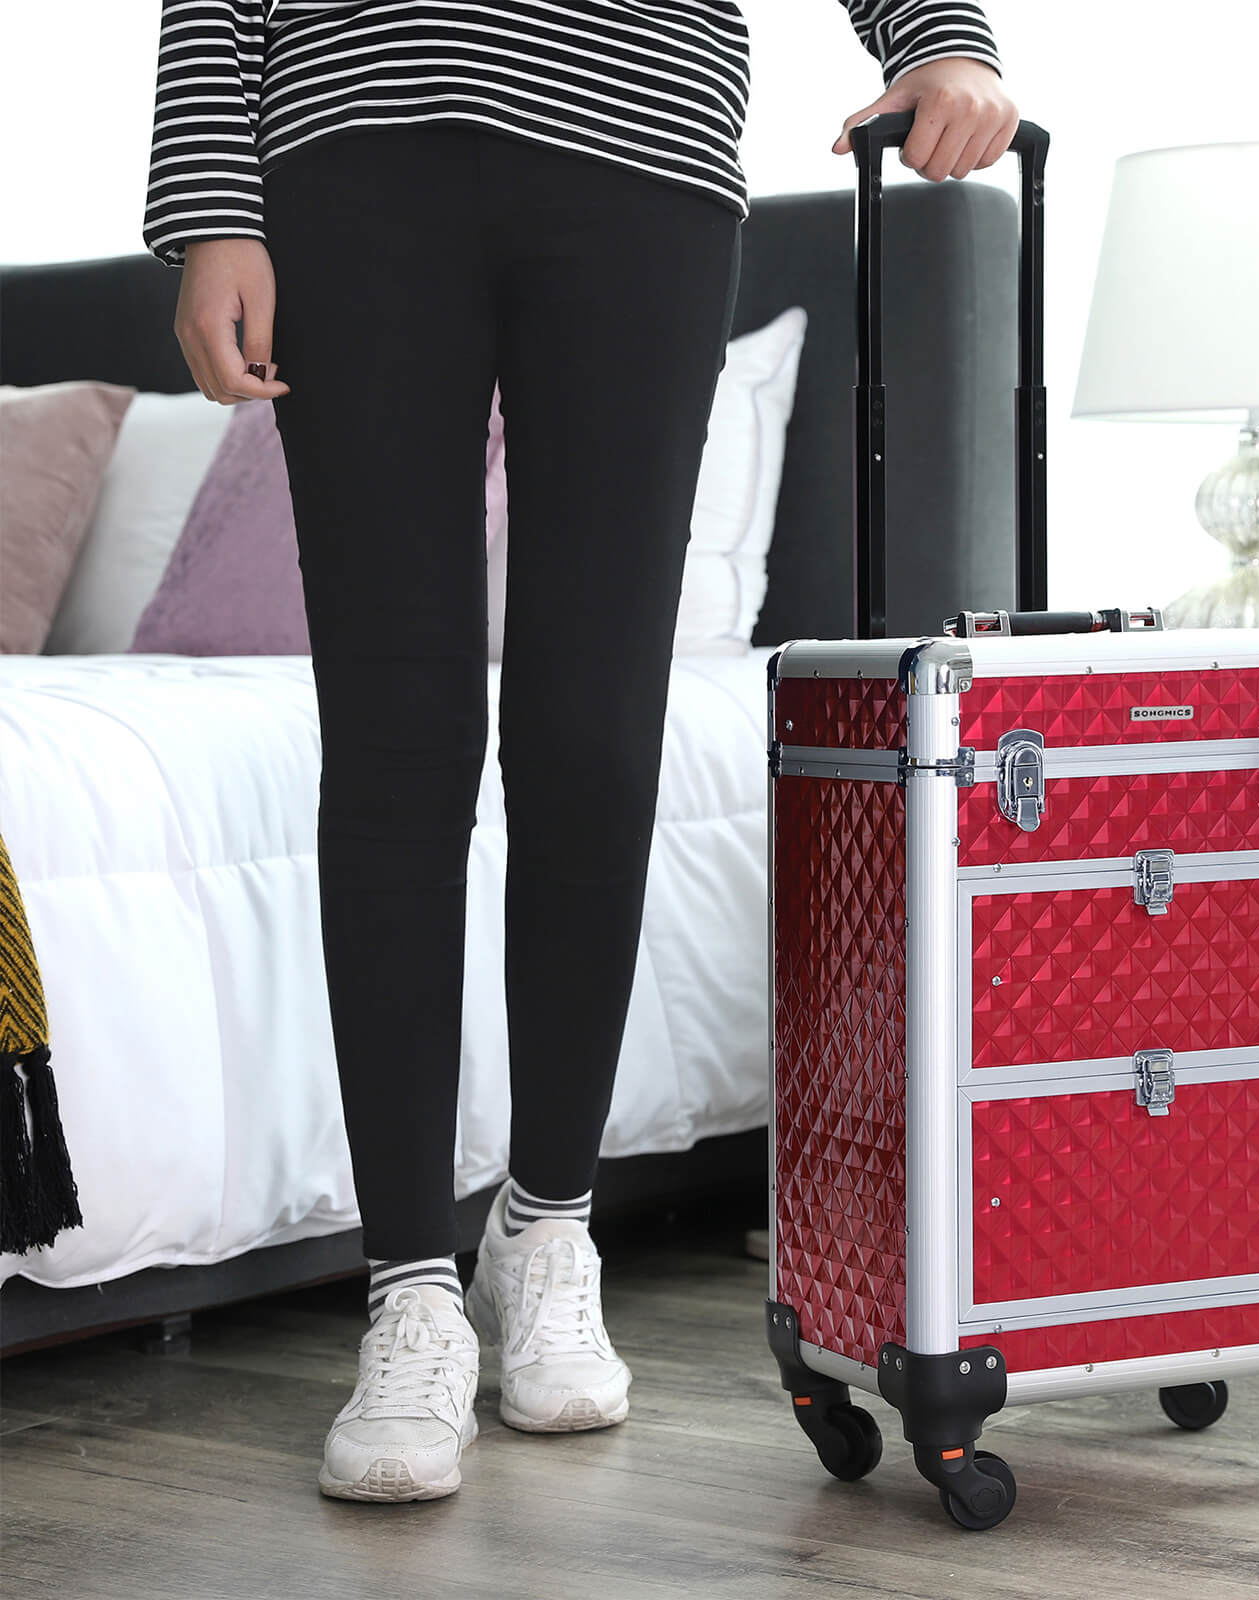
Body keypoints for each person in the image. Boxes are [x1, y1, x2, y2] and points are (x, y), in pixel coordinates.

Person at [144, 0, 1019, 1504]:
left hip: (641, 140)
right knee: (396, 737)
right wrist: (212, 200)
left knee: (597, 733)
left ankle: (548, 1225)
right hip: (356, 136)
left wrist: (939, 34)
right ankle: (409, 1288)